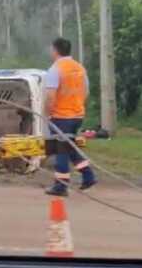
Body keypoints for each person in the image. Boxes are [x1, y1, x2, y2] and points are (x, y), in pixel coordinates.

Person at [44, 37, 96, 196]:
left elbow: (51, 96)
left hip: (61, 116)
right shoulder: (79, 68)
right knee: (70, 147)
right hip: (77, 115)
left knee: (61, 151)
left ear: (55, 50)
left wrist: (47, 113)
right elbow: (85, 91)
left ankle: (61, 186)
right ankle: (88, 176)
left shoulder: (56, 69)